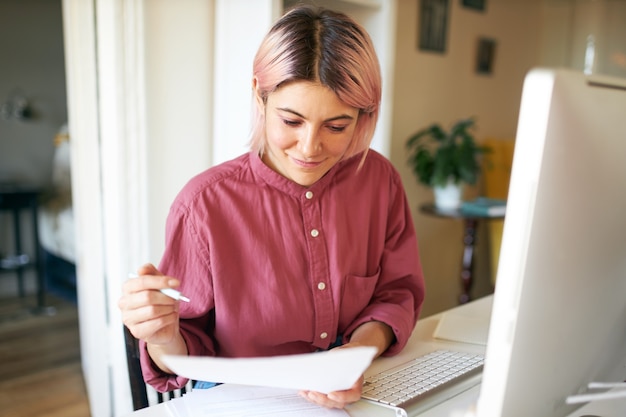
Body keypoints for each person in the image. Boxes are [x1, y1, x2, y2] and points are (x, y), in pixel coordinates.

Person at [118, 4, 425, 409]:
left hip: (357, 389)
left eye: (337, 126)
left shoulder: (379, 181)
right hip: (239, 400)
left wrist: (354, 355)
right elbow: (184, 351)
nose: (310, 148)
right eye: (291, 121)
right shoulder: (204, 205)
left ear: (363, 117)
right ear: (260, 97)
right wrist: (160, 335)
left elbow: (397, 293)